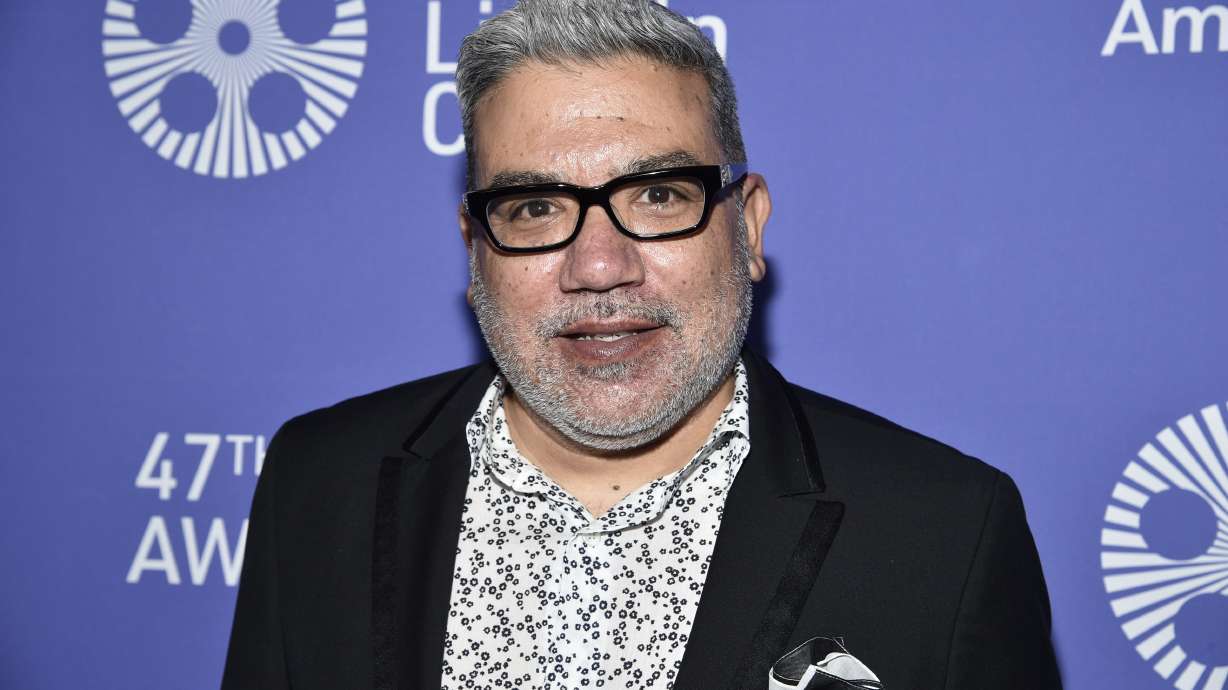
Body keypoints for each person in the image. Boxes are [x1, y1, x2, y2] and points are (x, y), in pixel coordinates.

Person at [221, 1, 1063, 688]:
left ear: (749, 224)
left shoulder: (943, 531)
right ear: (474, 247)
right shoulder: (318, 479)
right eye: (534, 208)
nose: (597, 266)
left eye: (659, 194)